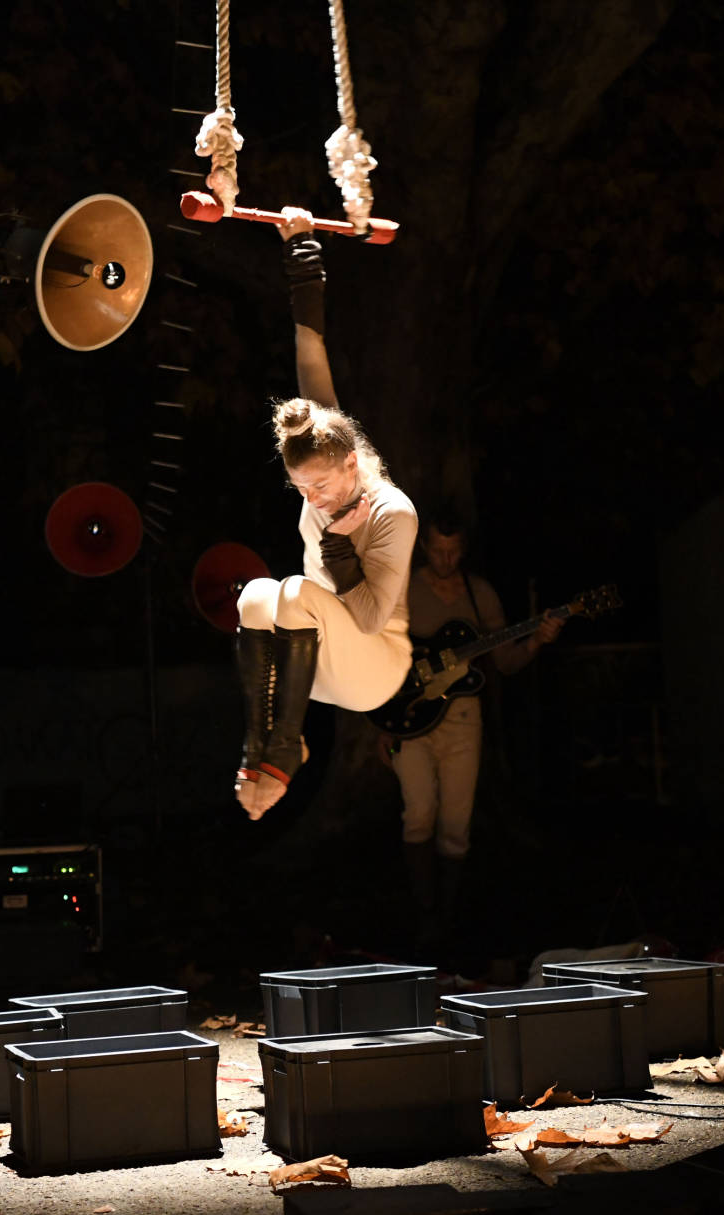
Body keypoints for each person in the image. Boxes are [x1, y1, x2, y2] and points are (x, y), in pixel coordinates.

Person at [231, 209, 417, 820]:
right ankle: (261, 744)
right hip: (310, 662)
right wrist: (302, 251)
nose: (312, 498)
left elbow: (369, 619)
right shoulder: (325, 439)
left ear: (351, 465)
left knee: (291, 592)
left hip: (373, 669)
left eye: (319, 485)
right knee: (254, 596)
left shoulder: (392, 512)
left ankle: (287, 748)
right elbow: (311, 352)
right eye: (300, 488)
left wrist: (338, 546)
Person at [392, 512, 562, 942]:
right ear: (424, 547)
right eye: (437, 550)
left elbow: (505, 661)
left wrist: (536, 640)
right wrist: (381, 724)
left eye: (453, 552)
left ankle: (447, 921)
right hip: (410, 718)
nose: (445, 560)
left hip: (463, 717)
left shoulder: (479, 593)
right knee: (418, 814)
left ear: (463, 550)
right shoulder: (404, 589)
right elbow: (380, 656)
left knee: (456, 825)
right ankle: (423, 914)